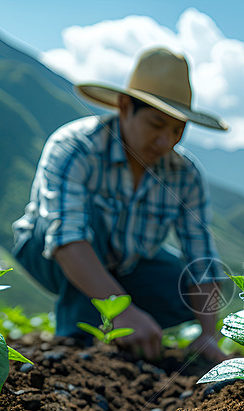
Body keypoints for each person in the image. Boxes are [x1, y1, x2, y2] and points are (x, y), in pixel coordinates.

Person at [12, 46, 229, 362]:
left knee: (182, 286)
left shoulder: (185, 174)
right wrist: (124, 311)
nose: (166, 141)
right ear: (126, 107)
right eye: (156, 125)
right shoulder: (77, 148)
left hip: (127, 262)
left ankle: (119, 321)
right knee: (87, 226)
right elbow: (66, 237)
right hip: (47, 250)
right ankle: (77, 344)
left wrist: (209, 333)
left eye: (177, 129)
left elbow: (201, 254)